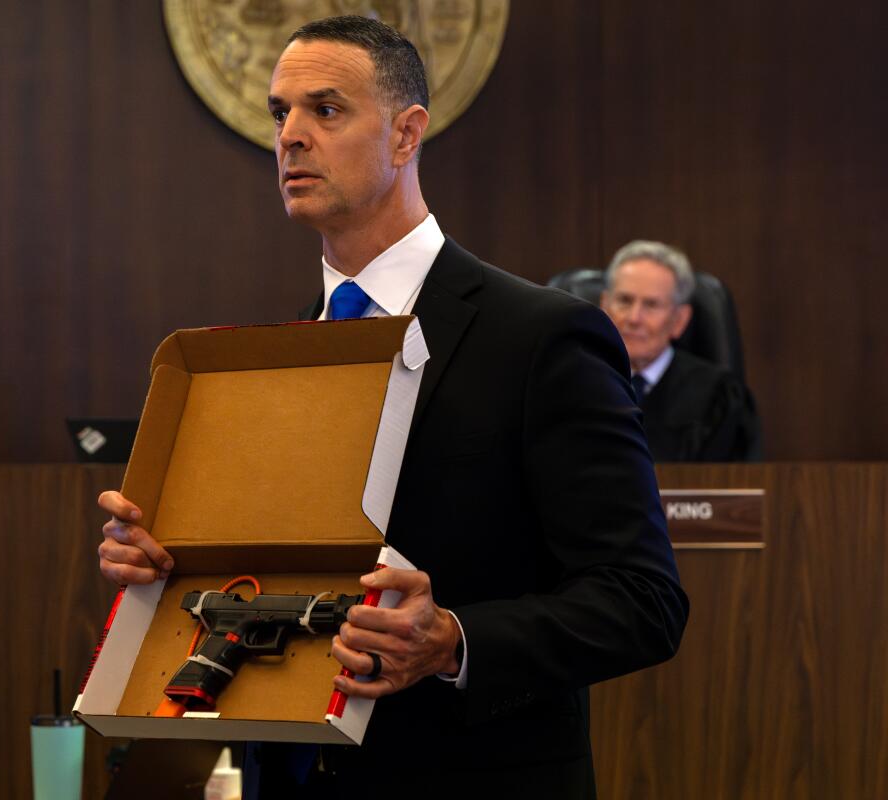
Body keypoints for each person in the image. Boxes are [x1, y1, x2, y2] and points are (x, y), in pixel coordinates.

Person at [97, 16, 688, 798]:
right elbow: (278, 578)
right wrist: (165, 567)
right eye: (281, 113)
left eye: (326, 110)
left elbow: (642, 600)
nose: (291, 137)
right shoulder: (281, 356)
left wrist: (453, 640)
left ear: (407, 134)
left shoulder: (541, 336)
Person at [600, 240, 761, 461]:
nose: (633, 318)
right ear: (604, 306)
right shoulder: (576, 382)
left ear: (679, 320)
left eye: (651, 305)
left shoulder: (718, 397)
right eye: (624, 301)